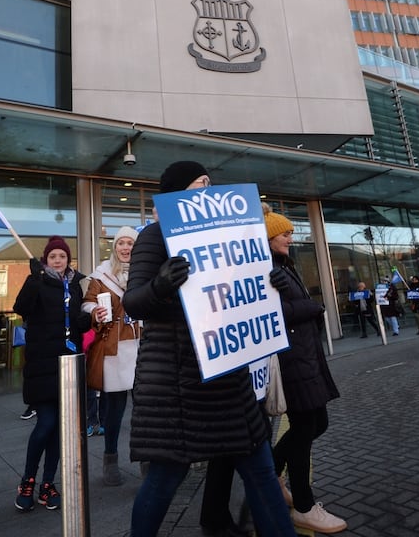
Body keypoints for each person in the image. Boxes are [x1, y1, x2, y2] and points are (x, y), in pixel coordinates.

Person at [123, 161, 296, 537]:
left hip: (227, 374)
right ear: (176, 193)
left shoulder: (232, 236)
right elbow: (133, 303)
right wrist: (161, 285)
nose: (208, 189)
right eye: (200, 183)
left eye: (209, 183)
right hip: (177, 382)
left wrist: (271, 285)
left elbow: (240, 298)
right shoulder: (154, 236)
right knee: (166, 476)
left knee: (260, 469)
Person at [265, 204, 346, 533]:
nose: (290, 235)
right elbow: (275, 311)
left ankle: (271, 471)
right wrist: (312, 306)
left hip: (304, 356)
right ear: (268, 238)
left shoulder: (283, 264)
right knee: (304, 427)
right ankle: (304, 505)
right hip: (291, 359)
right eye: (283, 233)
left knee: (315, 423)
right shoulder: (268, 269)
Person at [13, 235, 90, 512]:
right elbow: (21, 308)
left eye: (62, 256)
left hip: (69, 363)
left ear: (69, 260)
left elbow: (78, 323)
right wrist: (34, 279)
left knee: (60, 428)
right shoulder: (38, 281)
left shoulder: (77, 284)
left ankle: (48, 483)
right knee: (45, 424)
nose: (58, 261)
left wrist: (89, 319)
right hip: (43, 367)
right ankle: (28, 480)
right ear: (46, 260)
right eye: (53, 256)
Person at [81, 225, 142, 486]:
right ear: (114, 247)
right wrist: (96, 311)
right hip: (114, 349)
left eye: (130, 243)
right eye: (121, 243)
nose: (125, 248)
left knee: (143, 410)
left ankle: (146, 459)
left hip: (141, 346)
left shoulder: (144, 272)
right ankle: (110, 458)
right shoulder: (102, 275)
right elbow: (87, 301)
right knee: (114, 410)